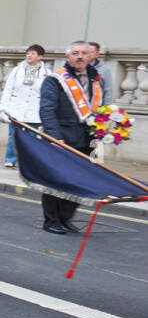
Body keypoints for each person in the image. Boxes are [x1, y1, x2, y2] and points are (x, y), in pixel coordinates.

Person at [37, 41, 102, 235]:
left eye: (84, 53)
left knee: (79, 182)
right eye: (75, 53)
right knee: (56, 181)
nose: (80, 56)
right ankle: (51, 220)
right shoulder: (55, 80)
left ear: (91, 57)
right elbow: (47, 109)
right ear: (68, 57)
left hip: (87, 139)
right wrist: (55, 137)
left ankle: (66, 218)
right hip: (62, 138)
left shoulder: (96, 80)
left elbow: (101, 109)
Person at [0, 45, 49, 168]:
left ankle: (26, 161)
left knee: (31, 138)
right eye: (28, 53)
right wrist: (4, 108)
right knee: (14, 135)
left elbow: (47, 94)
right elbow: (8, 89)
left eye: (33, 53)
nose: (29, 56)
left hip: (34, 110)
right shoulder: (17, 70)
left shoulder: (47, 73)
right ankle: (10, 159)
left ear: (40, 56)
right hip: (16, 108)